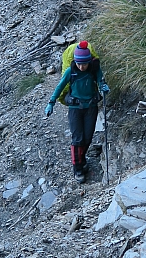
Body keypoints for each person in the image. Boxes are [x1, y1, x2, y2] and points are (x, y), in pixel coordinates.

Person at [44, 41, 109, 183]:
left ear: (88, 62)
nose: (81, 66)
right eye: (79, 64)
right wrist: (51, 103)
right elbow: (60, 87)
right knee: (77, 138)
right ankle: (77, 168)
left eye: (84, 64)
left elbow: (100, 81)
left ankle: (81, 158)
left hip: (91, 107)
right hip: (75, 108)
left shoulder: (94, 69)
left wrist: (104, 86)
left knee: (87, 138)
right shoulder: (71, 71)